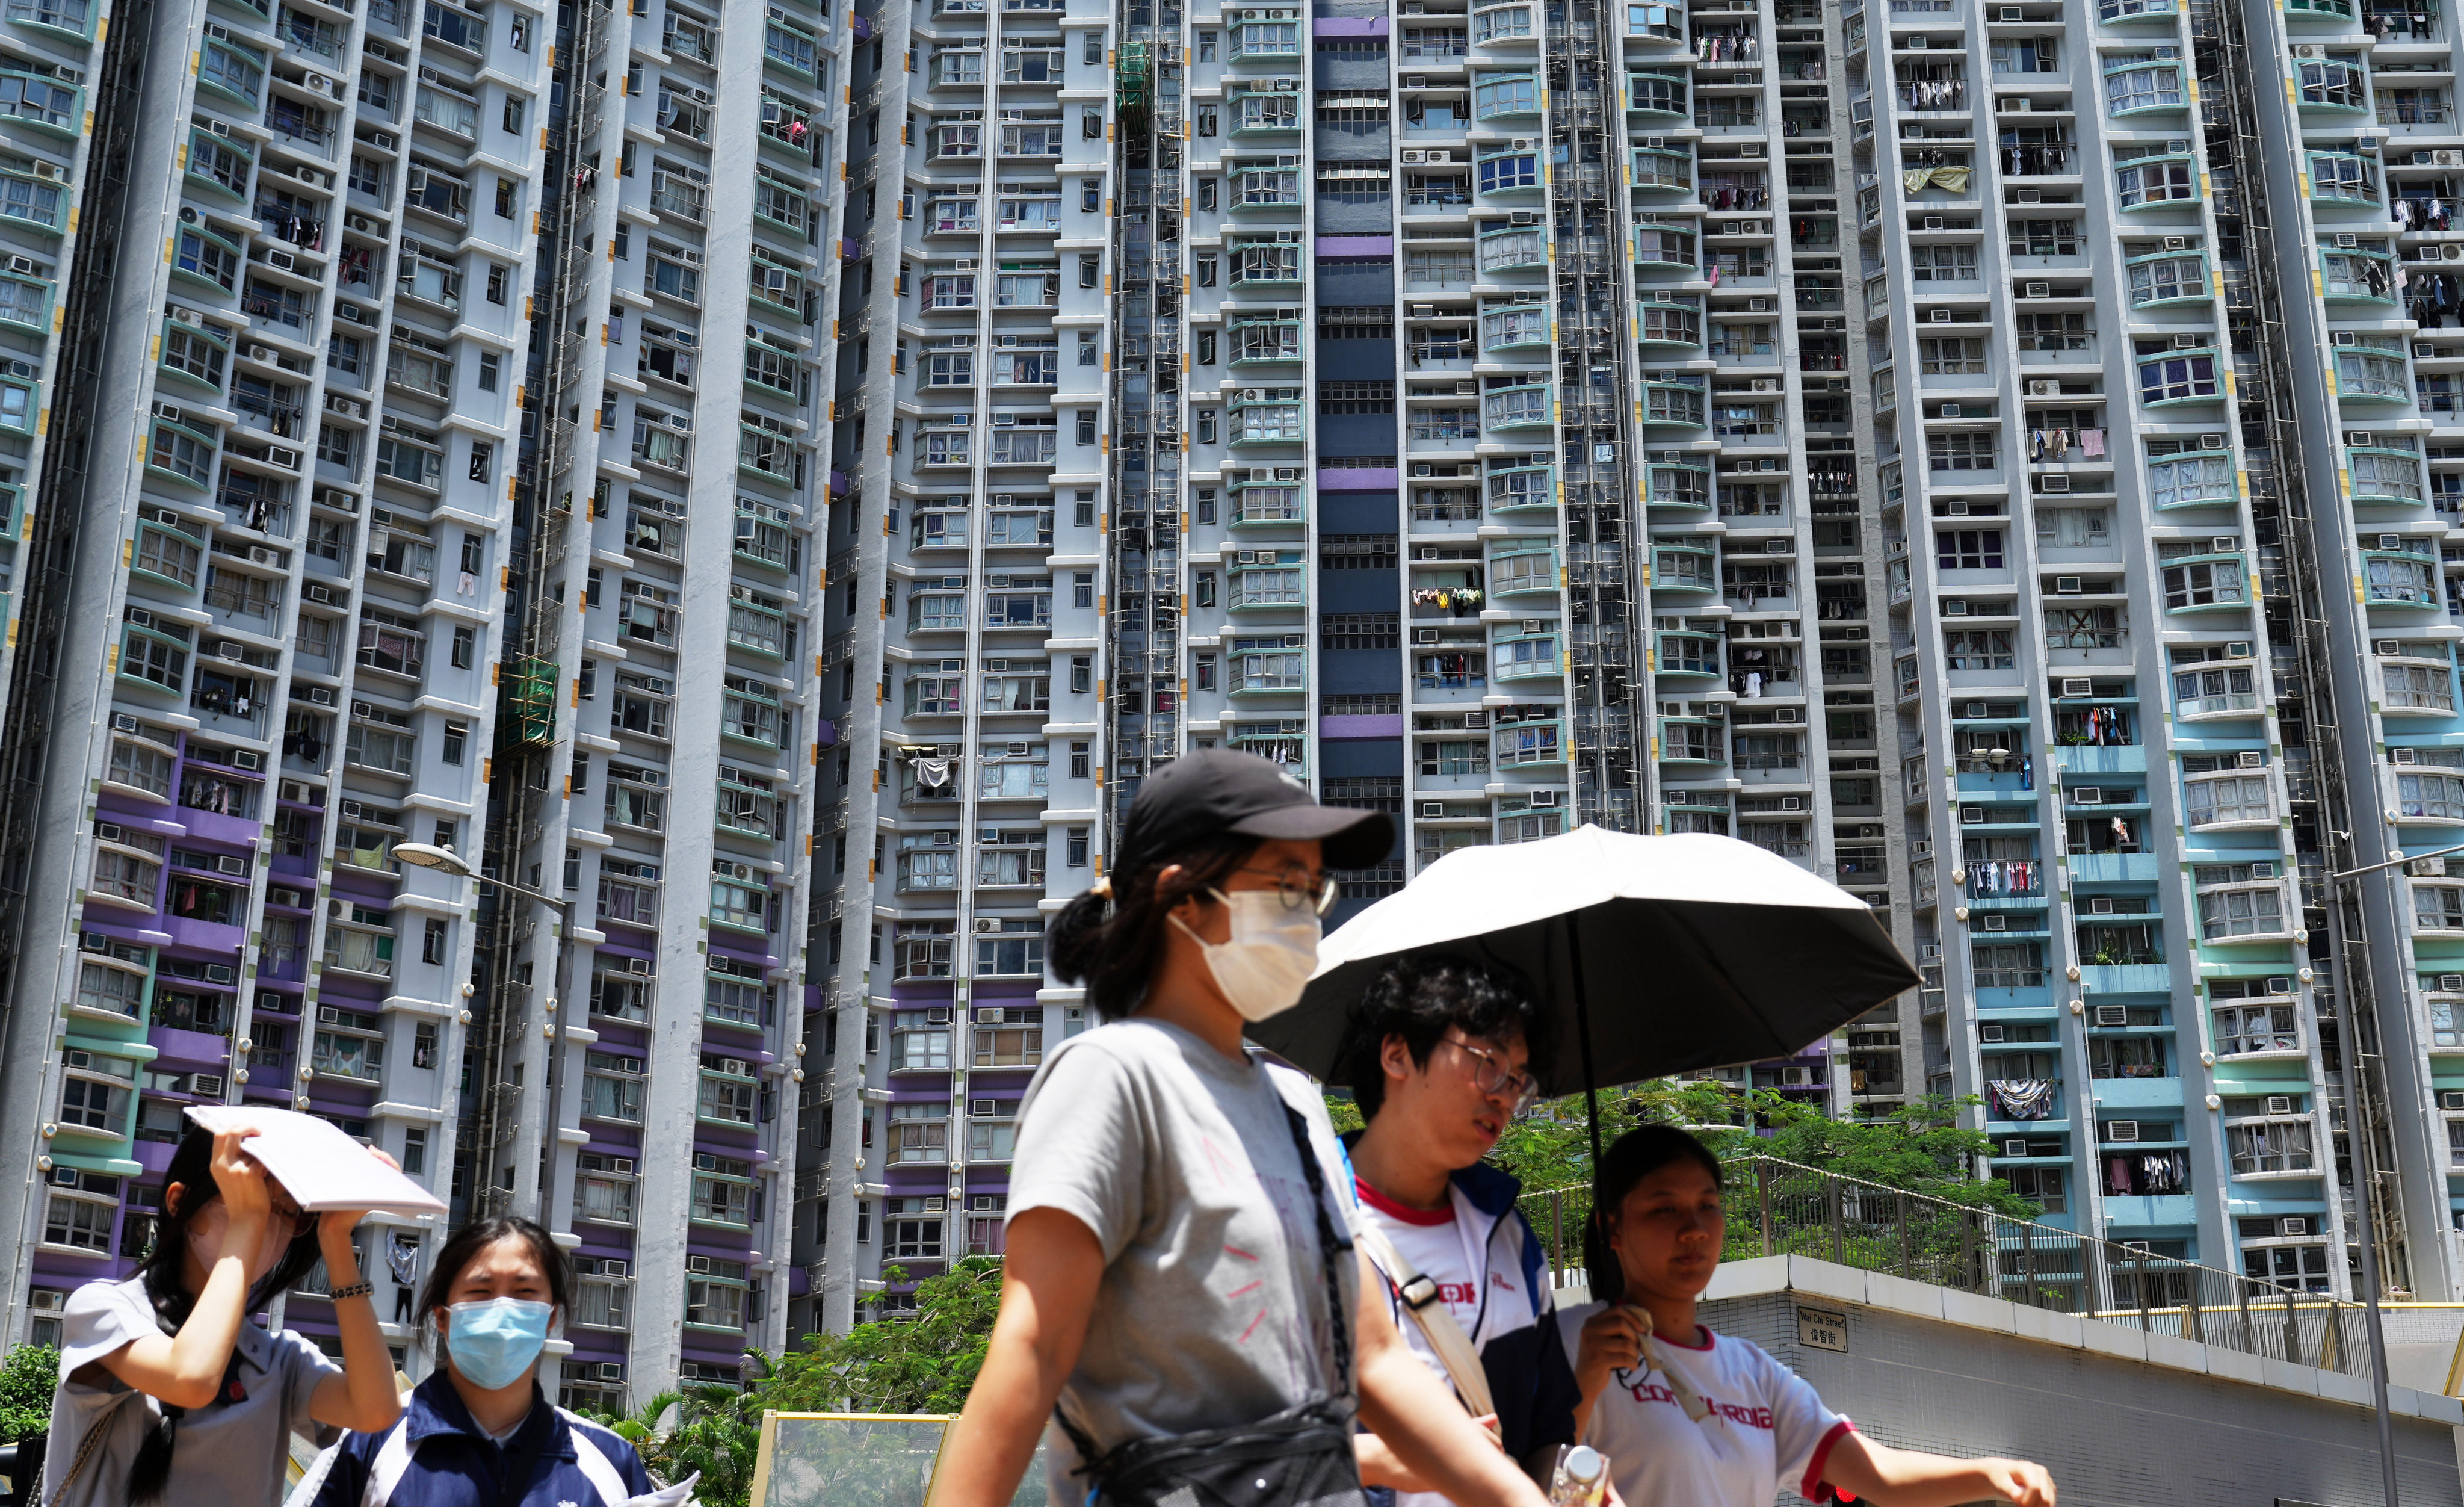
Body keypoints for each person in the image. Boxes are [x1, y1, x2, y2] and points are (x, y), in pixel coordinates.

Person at [934, 749, 1552, 1507]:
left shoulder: (1294, 1104)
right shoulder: (1113, 1074)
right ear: (1182, 897)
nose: (1304, 911)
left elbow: (1378, 1358)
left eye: (1311, 887)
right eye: (1281, 882)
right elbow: (1033, 1346)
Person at [1561, 1126, 2057, 1507]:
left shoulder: (1753, 1374)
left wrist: (1990, 1473)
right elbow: (1516, 1470)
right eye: (1664, 1209)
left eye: (1707, 1206)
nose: (1693, 1229)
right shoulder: (1566, 1341)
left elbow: (1877, 1474)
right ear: (1614, 1229)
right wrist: (1584, 1382)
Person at [43, 1122, 402, 1507]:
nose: (268, 1224)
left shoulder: (279, 1359)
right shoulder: (104, 1308)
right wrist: (248, 1221)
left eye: (289, 1213)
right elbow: (192, 1378)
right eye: (248, 1199)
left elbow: (376, 1411)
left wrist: (335, 1237)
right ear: (180, 1203)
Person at [1336, 956, 1581, 1500]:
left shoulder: (1512, 1242)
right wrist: (1385, 1458)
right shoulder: (1304, 1219)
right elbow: (1241, 1441)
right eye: (1488, 1062)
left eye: (1519, 1079)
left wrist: (1575, 1486)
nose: (1504, 1095)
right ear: (1397, 1055)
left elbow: (1546, 1436)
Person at [301, 1215, 679, 1507]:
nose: (502, 1308)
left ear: (550, 1317)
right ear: (443, 1317)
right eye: (480, 1291)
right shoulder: (371, 1441)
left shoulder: (611, 1459)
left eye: (524, 1291)